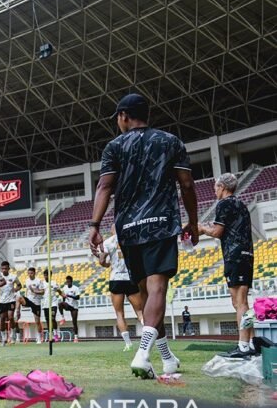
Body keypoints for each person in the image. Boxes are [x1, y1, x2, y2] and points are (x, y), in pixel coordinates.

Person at [89, 93, 197, 379]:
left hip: (129, 229)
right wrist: (193, 222)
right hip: (161, 223)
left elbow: (104, 187)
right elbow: (186, 184)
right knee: (156, 290)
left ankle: (166, 357)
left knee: (148, 295)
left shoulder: (114, 146)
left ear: (123, 115)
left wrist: (94, 225)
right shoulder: (170, 141)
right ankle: (143, 352)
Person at [199, 173, 255, 358]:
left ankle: (243, 346)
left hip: (235, 254)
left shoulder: (224, 203)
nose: (214, 190)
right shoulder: (241, 204)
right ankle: (252, 342)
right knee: (240, 301)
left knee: (240, 302)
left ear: (222, 187)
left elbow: (217, 232)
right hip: (246, 254)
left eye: (216, 187)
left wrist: (201, 229)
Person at [99, 225, 145, 351]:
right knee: (140, 311)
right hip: (130, 277)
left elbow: (101, 260)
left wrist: (107, 264)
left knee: (119, 313)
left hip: (116, 279)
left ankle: (128, 344)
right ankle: (148, 337)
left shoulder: (108, 242)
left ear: (112, 230)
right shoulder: (130, 238)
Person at [0, 261, 21, 346]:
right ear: (1, 269)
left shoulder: (13, 277)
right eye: (2, 268)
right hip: (2, 301)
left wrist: (16, 289)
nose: (4, 270)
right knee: (2, 319)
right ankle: (4, 338)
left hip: (11, 300)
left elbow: (19, 285)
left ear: (8, 269)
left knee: (11, 317)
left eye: (5, 268)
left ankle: (13, 334)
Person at [23, 267, 45, 344]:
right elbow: (27, 291)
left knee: (37, 321)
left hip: (36, 302)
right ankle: (17, 313)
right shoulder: (27, 281)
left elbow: (42, 292)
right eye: (28, 273)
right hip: (29, 300)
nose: (30, 275)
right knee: (19, 298)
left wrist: (34, 291)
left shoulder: (39, 281)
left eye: (31, 273)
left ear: (34, 273)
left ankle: (39, 338)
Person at [41, 269, 61, 343]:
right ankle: (51, 335)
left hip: (53, 303)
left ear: (50, 275)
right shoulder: (42, 284)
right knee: (48, 320)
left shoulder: (54, 283)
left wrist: (61, 293)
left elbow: (59, 291)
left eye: (47, 275)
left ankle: (56, 334)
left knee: (52, 318)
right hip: (45, 304)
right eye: (45, 275)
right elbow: (41, 292)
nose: (46, 276)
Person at [58, 275, 81, 341]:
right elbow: (63, 296)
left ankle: (76, 337)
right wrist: (64, 300)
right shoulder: (65, 288)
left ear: (71, 281)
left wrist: (70, 296)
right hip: (68, 305)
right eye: (67, 281)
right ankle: (63, 318)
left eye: (69, 281)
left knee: (74, 322)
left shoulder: (75, 288)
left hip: (74, 307)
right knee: (60, 304)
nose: (68, 283)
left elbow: (78, 297)